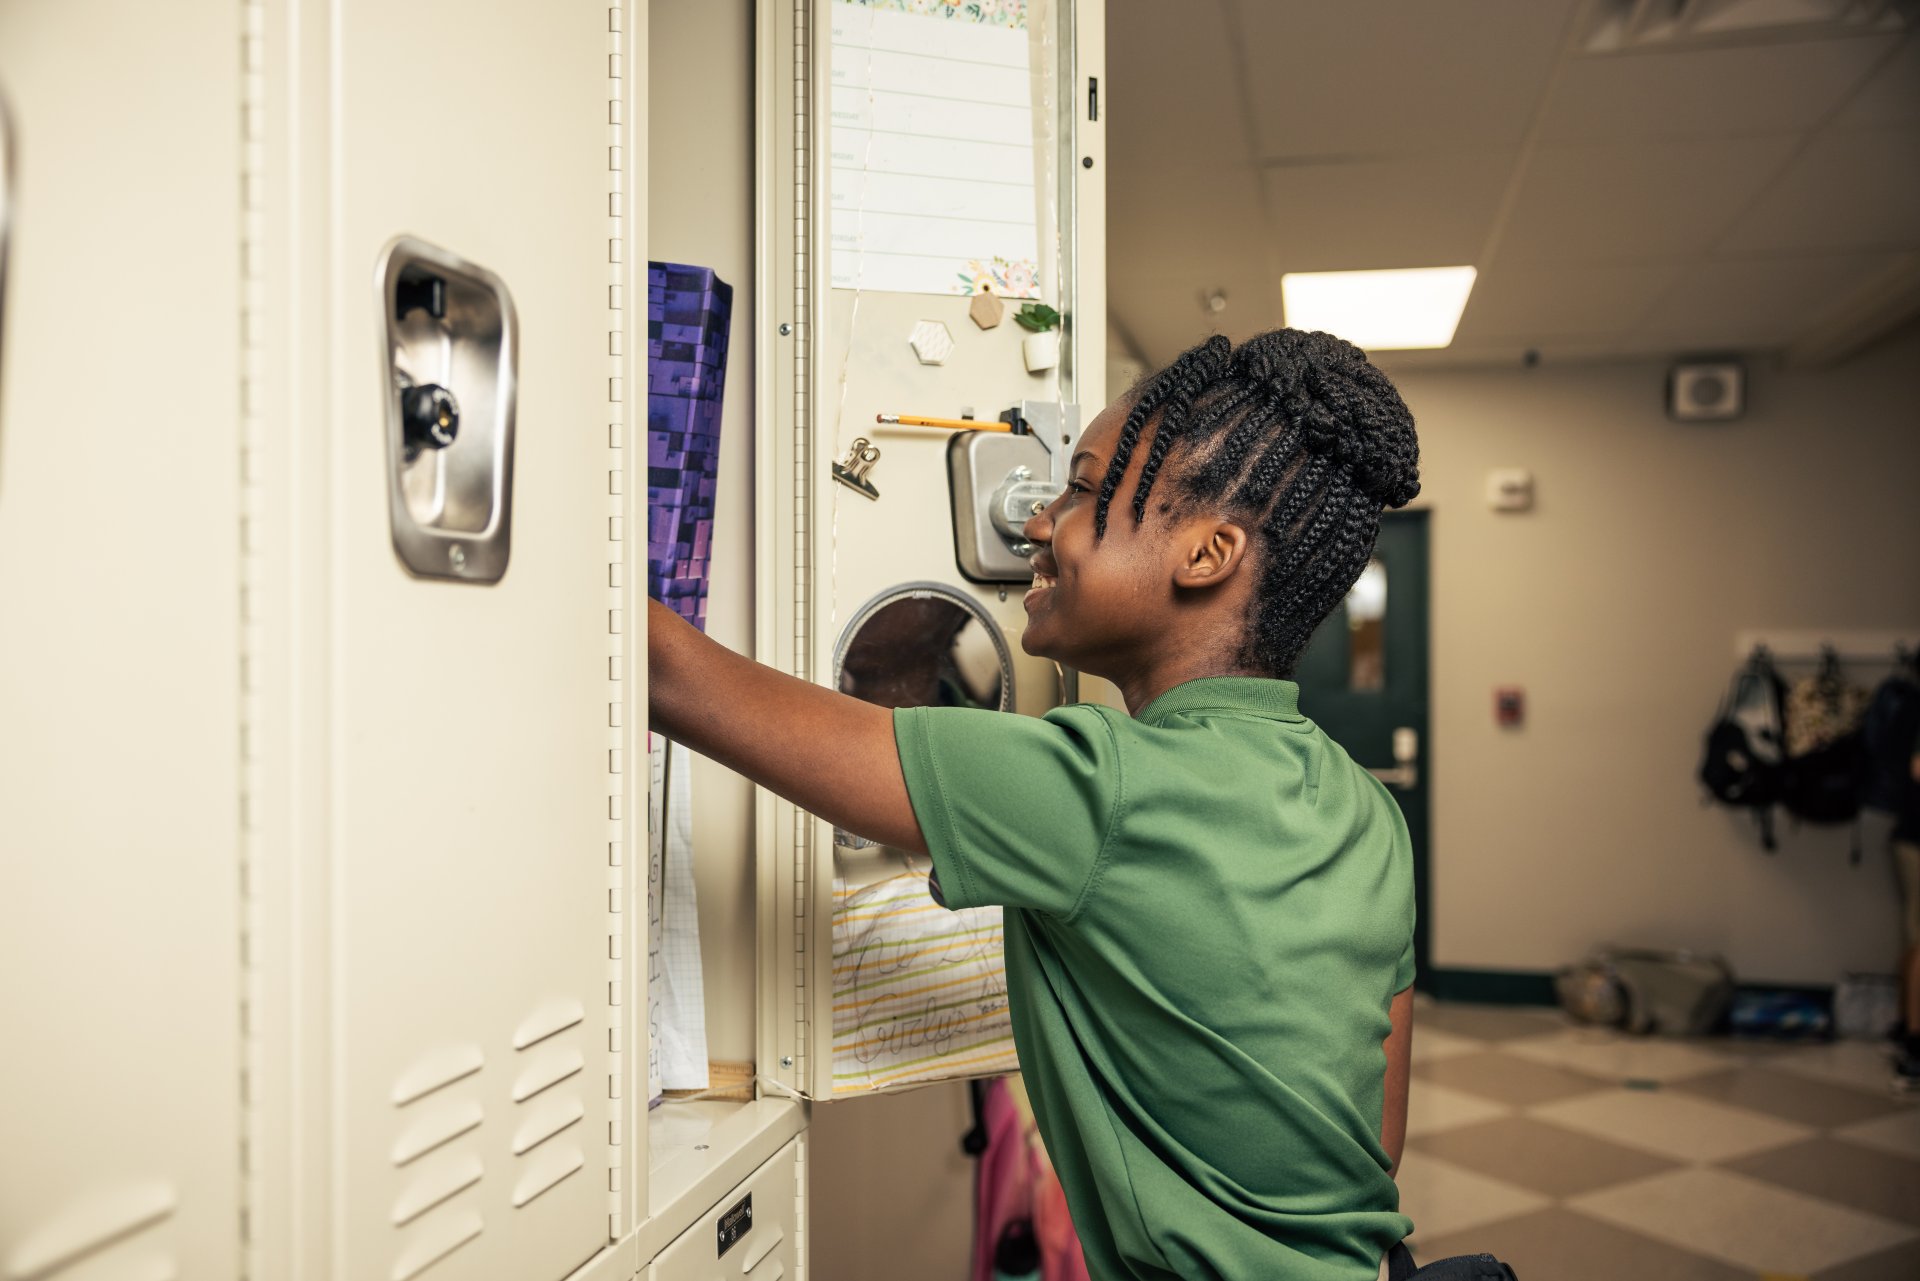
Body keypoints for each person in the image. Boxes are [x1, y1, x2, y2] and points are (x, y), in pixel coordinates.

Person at [649, 328, 1423, 1279]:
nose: (1039, 521)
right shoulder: (1371, 815)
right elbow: (1375, 1141)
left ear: (1208, 553)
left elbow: (666, 672)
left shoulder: (1101, 785)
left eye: (1086, 491)